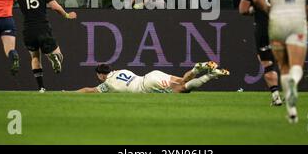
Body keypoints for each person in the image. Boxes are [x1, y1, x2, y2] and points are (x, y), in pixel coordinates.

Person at [17, 0, 77, 92]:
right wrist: (66, 15)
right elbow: (54, 6)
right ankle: (52, 57)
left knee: (34, 57)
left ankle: (41, 87)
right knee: (59, 55)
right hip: (42, 27)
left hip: (28, 29)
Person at [239, 0, 282, 106]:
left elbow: (243, 9)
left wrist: (255, 9)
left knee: (267, 63)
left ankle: (276, 95)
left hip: (264, 28)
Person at [75, 61, 229, 93]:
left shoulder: (107, 84)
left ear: (102, 75)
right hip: (152, 74)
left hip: (147, 85)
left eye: (98, 76)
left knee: (182, 89)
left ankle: (207, 75)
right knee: (183, 80)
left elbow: (89, 90)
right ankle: (202, 70)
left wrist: (70, 93)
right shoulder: (121, 70)